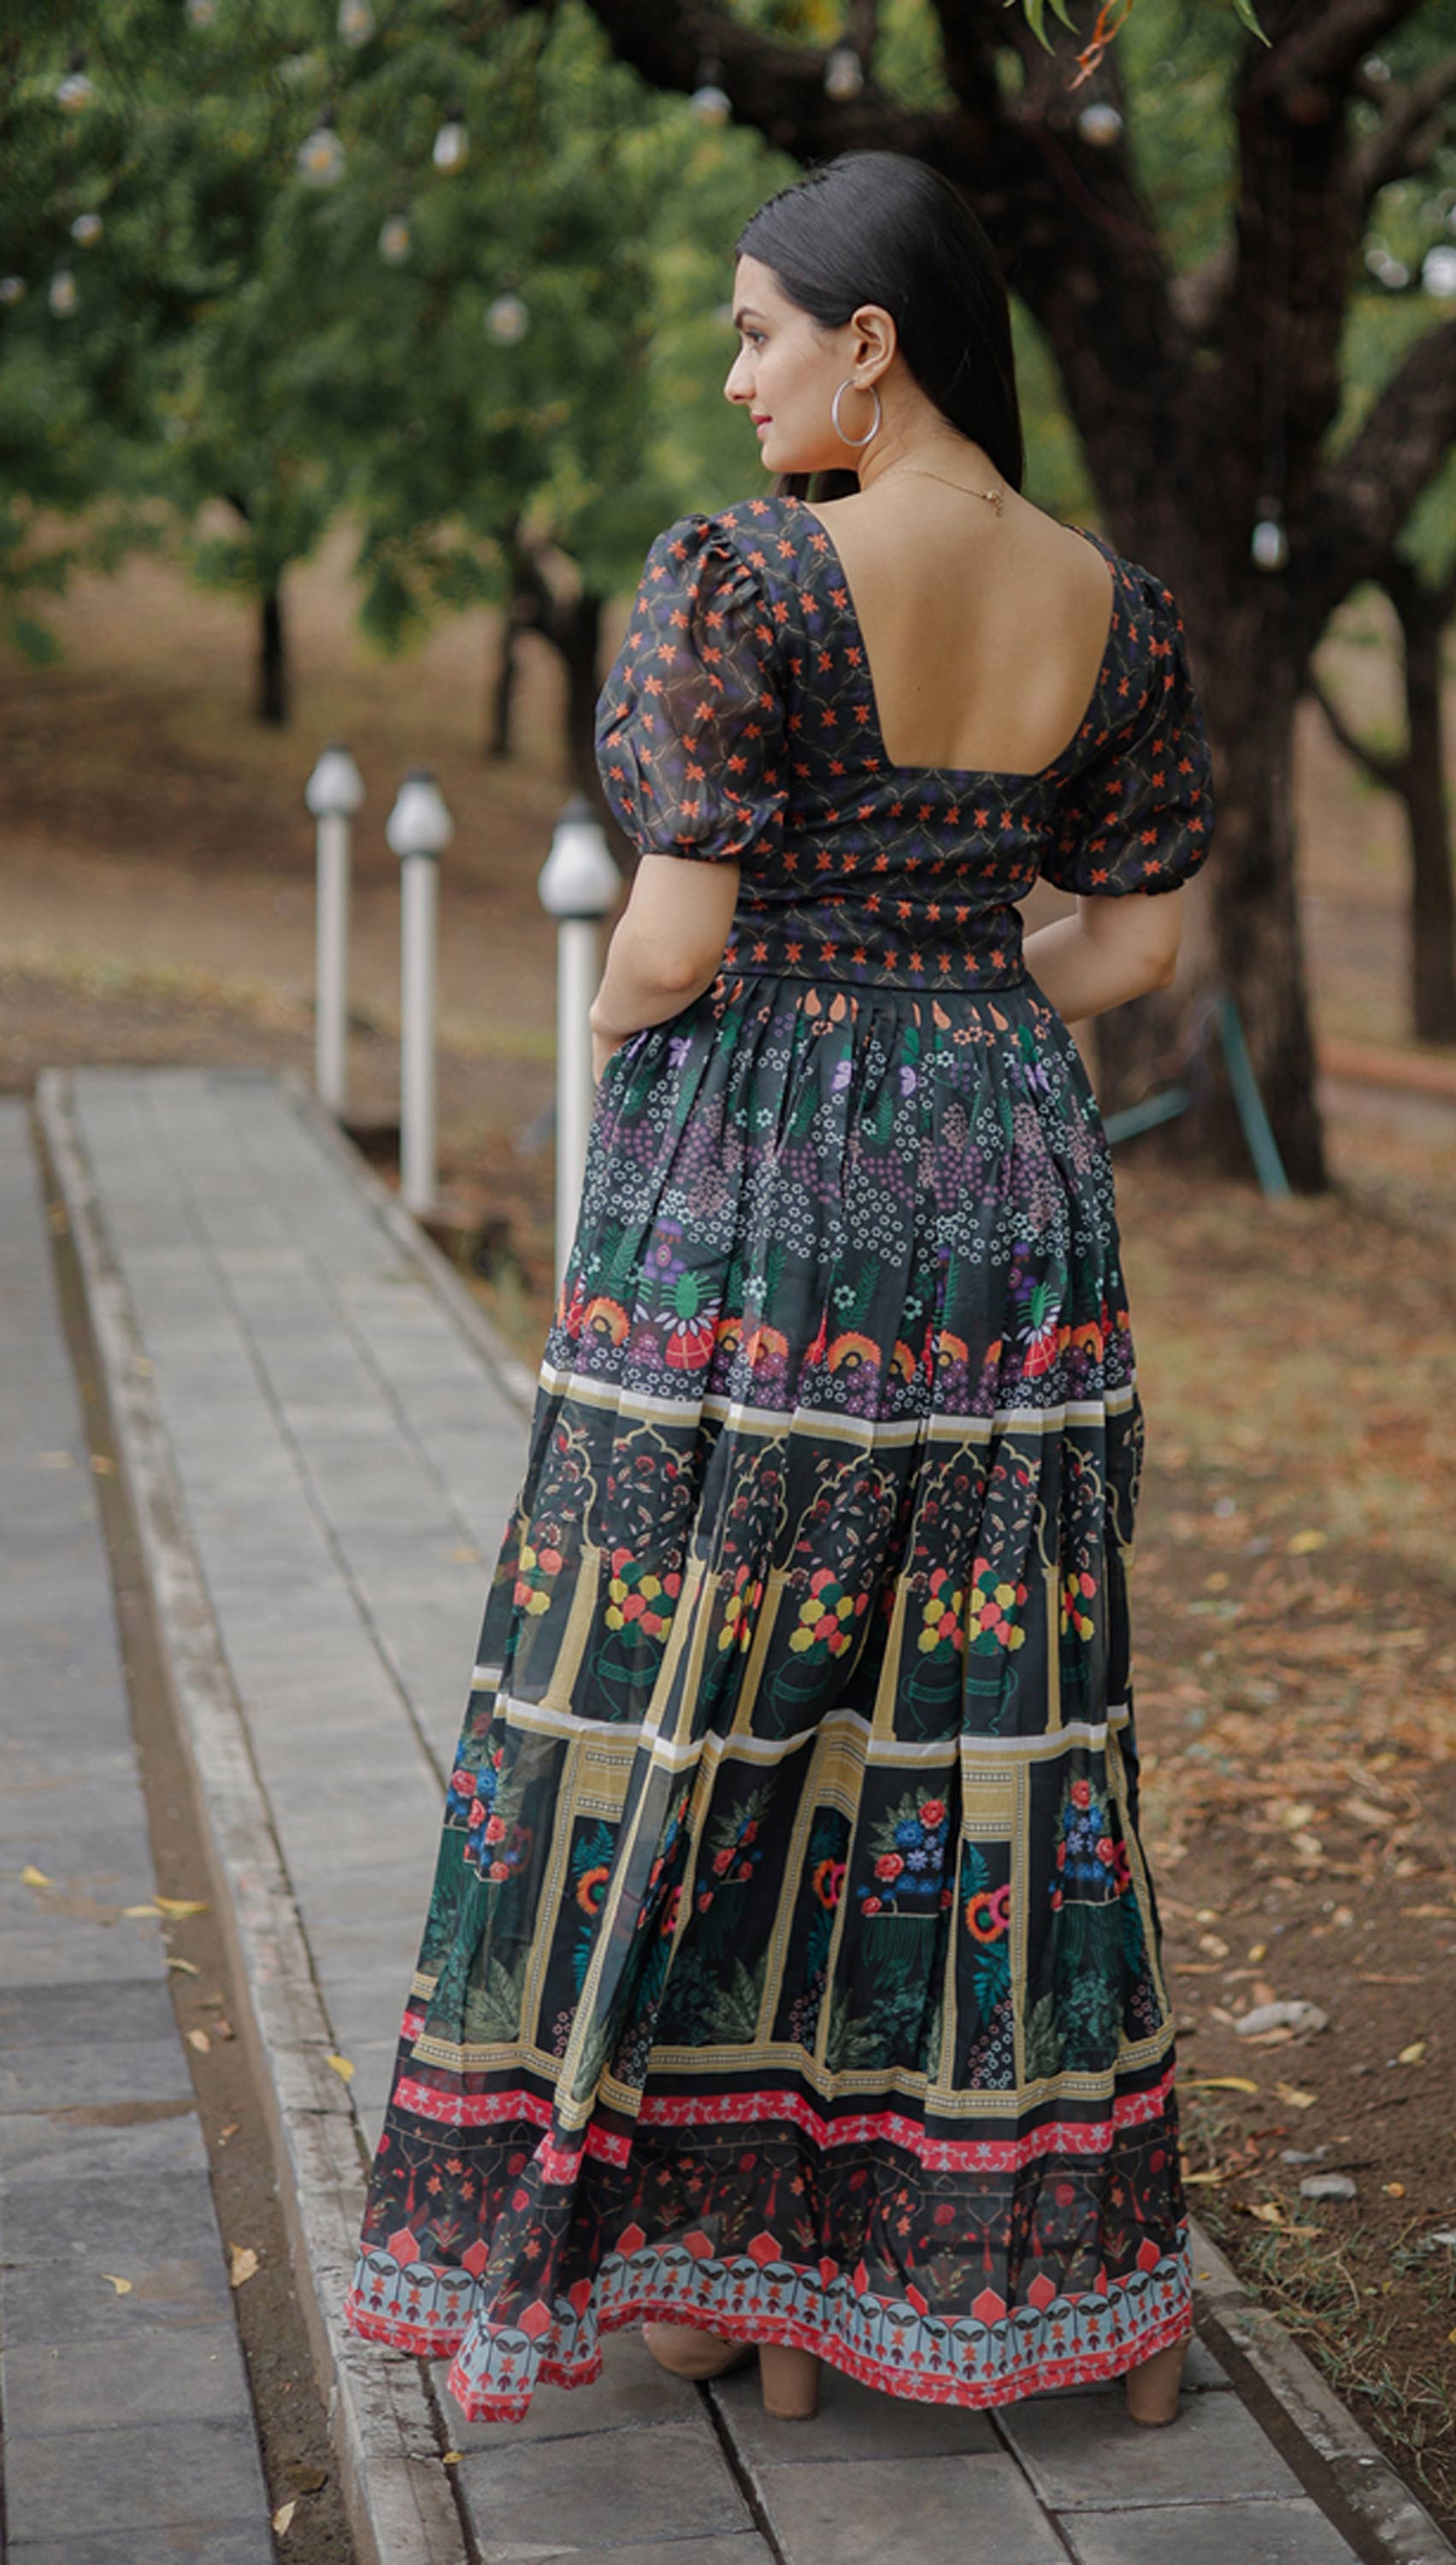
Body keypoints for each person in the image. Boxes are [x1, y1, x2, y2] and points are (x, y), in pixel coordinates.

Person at [344, 147, 1214, 2433]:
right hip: (1008, 1192)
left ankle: (694, 2249)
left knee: (679, 1680)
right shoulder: (1116, 609)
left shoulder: (743, 579)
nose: (736, 379)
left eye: (757, 332)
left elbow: (675, 933)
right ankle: (948, 2254)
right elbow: (1135, 947)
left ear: (872, 341)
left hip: (766, 1184)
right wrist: (958, 999)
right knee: (976, 1707)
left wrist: (618, 1034)